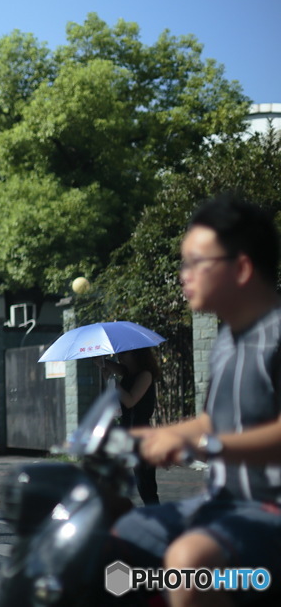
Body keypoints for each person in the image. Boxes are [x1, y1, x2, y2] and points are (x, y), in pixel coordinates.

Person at [111, 195, 281, 607]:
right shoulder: (227, 340)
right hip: (222, 504)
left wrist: (204, 445)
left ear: (241, 267)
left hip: (268, 509)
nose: (183, 275)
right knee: (116, 543)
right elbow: (213, 420)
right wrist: (155, 437)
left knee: (190, 560)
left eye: (194, 263)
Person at [95, 347, 160, 505]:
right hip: (125, 432)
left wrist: (113, 381)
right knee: (110, 476)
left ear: (136, 354)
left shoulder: (145, 375)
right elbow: (110, 366)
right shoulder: (127, 372)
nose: (120, 356)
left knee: (145, 485)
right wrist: (100, 360)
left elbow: (130, 400)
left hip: (140, 435)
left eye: (124, 353)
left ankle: (158, 519)